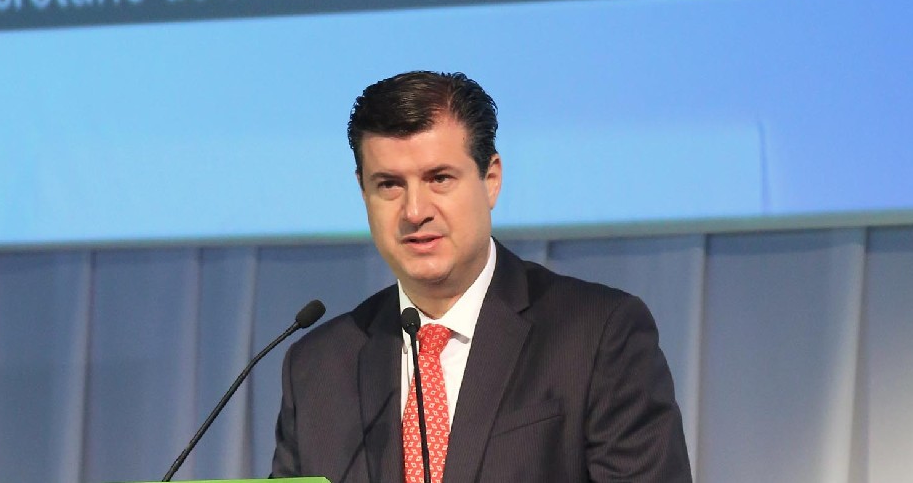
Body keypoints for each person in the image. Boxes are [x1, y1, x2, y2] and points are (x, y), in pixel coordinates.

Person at [271, 71, 692, 482]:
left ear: (490, 180)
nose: (415, 211)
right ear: (363, 191)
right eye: (389, 185)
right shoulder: (317, 367)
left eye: (439, 178)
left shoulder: (597, 335)